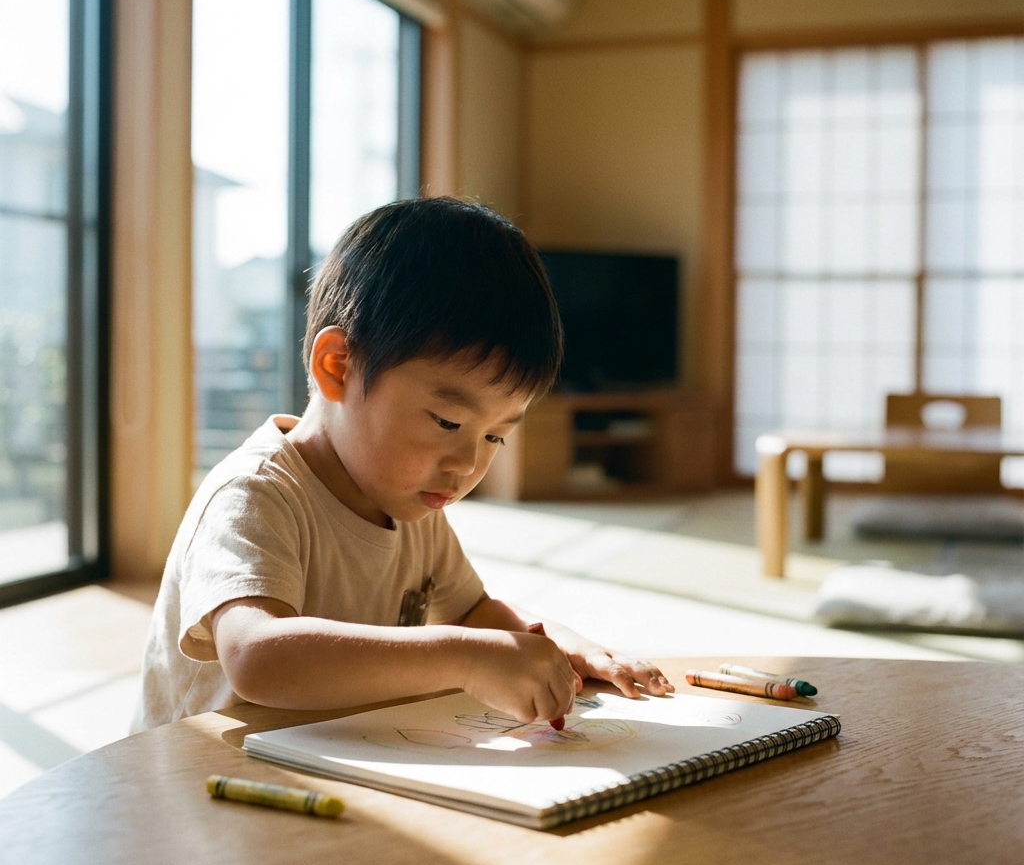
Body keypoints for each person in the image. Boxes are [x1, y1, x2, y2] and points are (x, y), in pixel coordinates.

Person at [134, 197, 673, 732]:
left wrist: (563, 648)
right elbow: (259, 656)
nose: (468, 464)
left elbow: (472, 614)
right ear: (337, 367)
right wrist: (466, 656)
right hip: (204, 785)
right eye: (446, 422)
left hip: (327, 764)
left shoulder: (412, 508)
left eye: (495, 437)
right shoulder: (256, 495)